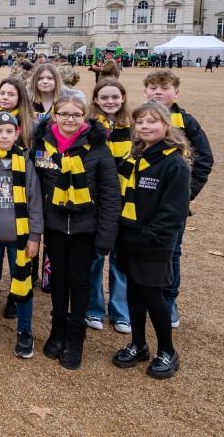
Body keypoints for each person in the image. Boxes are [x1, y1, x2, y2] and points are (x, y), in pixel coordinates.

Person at [32, 96, 120, 370]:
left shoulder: (98, 147)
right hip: (55, 225)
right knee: (58, 278)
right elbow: (35, 187)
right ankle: (58, 328)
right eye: (64, 114)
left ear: (84, 117)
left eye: (76, 115)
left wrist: (105, 237)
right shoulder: (42, 144)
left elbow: (110, 194)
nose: (70, 119)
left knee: (80, 280)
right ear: (54, 115)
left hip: (85, 227)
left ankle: (76, 335)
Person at [112, 102, 190, 380]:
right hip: (128, 238)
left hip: (153, 243)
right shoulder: (135, 156)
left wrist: (147, 237)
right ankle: (139, 344)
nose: (145, 126)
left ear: (166, 125)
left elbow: (174, 212)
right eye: (140, 122)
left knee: (152, 295)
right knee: (133, 292)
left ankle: (167, 351)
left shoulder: (173, 163)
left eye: (152, 121)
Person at [142, 69, 212, 328]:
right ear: (145, 91)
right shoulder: (140, 118)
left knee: (172, 251)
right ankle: (142, 297)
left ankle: (169, 299)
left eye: (165, 88)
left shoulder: (187, 122)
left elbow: (204, 159)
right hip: (143, 198)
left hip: (173, 203)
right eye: (153, 87)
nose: (158, 92)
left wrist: (187, 193)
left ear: (176, 93)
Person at [0, 112, 44, 358]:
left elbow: (34, 201)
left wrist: (34, 236)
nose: (4, 136)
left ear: (17, 134)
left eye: (9, 131)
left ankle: (24, 330)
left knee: (22, 281)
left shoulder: (25, 161)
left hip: (21, 237)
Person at [85, 78, 132, 333]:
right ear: (95, 100)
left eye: (115, 97)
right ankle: (93, 308)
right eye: (104, 97)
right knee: (94, 256)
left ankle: (120, 311)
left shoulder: (133, 125)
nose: (110, 101)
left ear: (123, 98)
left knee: (120, 258)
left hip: (125, 198)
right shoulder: (89, 126)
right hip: (97, 198)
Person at [0, 77, 35, 149]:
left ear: (20, 98)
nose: (5, 97)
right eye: (2, 93)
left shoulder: (30, 125)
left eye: (11, 94)